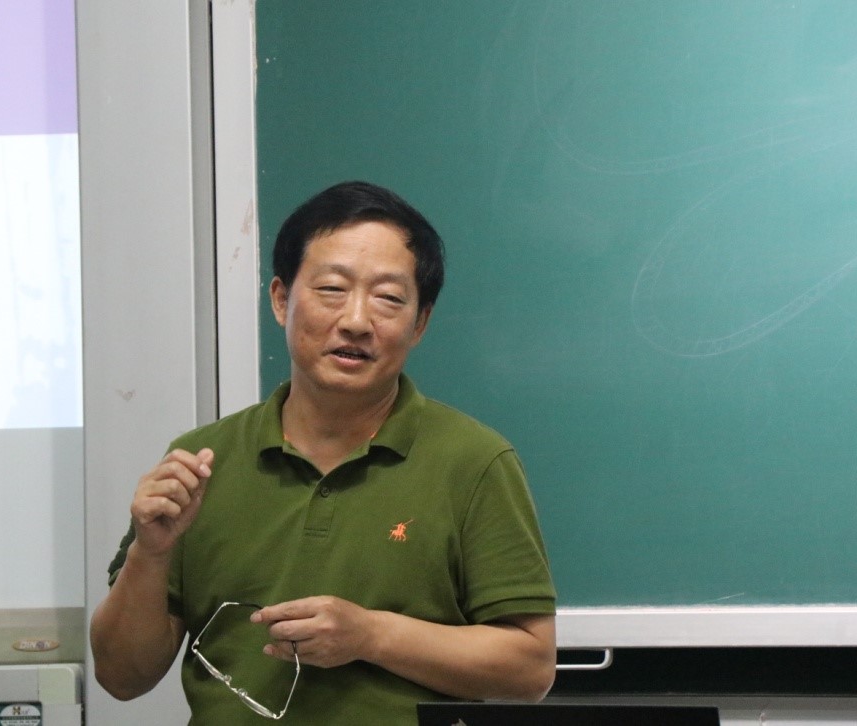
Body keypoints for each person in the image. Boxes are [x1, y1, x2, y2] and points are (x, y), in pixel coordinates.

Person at [90, 181, 557, 724]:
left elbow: (529, 668)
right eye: (332, 289)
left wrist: (371, 635)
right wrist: (150, 554)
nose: (356, 321)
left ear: (420, 322)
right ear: (281, 299)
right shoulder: (201, 461)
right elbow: (121, 677)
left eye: (388, 298)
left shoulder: (474, 462)